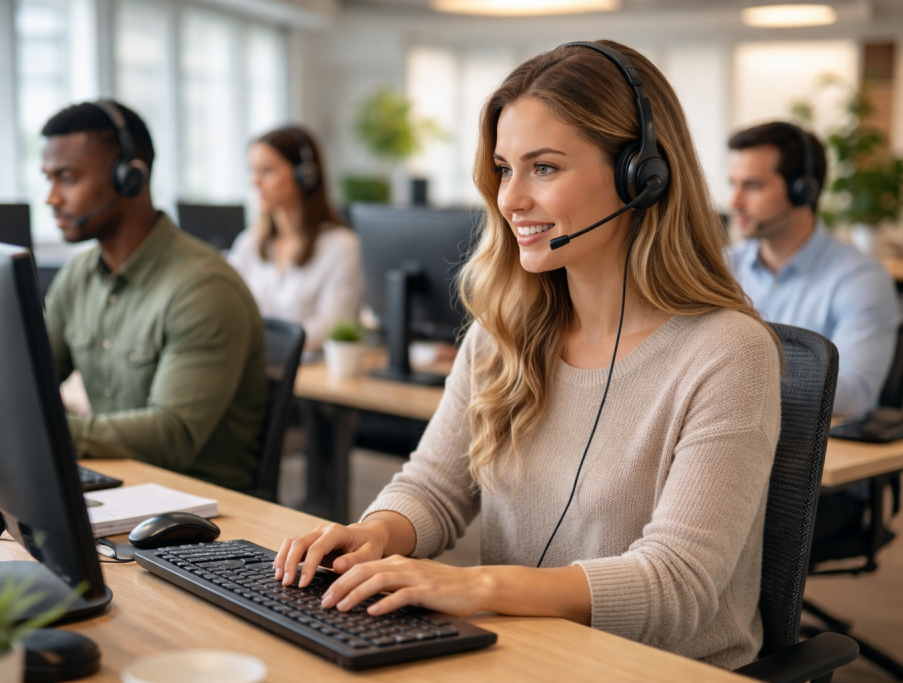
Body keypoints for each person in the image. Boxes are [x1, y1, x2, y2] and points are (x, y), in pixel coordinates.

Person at [274, 41, 782, 669]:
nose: (510, 198)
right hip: (524, 655)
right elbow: (434, 486)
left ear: (641, 176)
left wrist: (479, 586)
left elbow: (678, 583)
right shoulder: (504, 332)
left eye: (543, 167)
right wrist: (375, 534)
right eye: (503, 168)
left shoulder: (727, 353)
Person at [41, 100, 267, 491]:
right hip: (119, 482)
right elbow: (34, 377)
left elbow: (171, 435)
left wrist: (47, 431)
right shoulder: (78, 275)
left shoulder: (203, 289)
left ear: (129, 178)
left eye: (67, 178)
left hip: (197, 505)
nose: (52, 198)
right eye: (49, 179)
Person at [726, 121, 899, 418]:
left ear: (803, 191)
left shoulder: (861, 279)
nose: (735, 202)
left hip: (817, 444)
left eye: (753, 186)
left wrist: (730, 376)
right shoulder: (722, 267)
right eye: (733, 184)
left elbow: (854, 393)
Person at [228, 126, 363, 354]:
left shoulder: (342, 246)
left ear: (305, 175)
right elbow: (226, 309)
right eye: (252, 170)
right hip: (255, 366)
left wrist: (256, 341)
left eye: (267, 170)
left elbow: (331, 327)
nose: (255, 181)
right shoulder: (248, 243)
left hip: (309, 371)